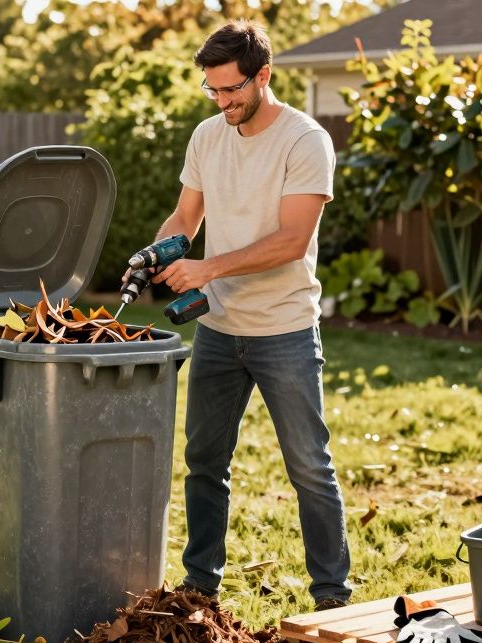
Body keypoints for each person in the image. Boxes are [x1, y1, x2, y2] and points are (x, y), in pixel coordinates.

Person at [138, 19, 352, 611]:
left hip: (283, 327)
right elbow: (186, 219)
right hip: (217, 329)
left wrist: (207, 268)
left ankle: (333, 597)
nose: (223, 101)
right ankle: (200, 585)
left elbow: (291, 239)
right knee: (204, 460)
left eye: (231, 89)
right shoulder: (208, 136)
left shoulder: (305, 141)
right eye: (212, 90)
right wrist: (156, 253)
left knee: (309, 466)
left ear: (263, 76)